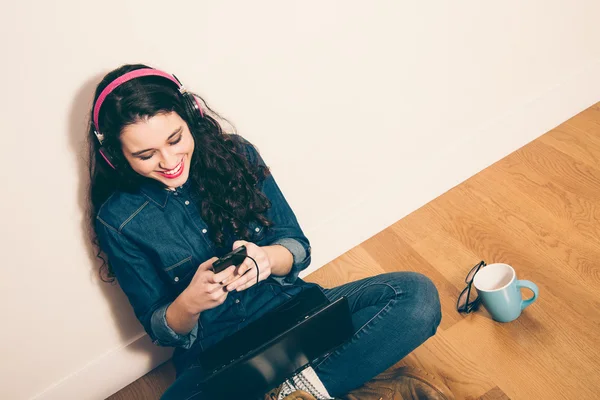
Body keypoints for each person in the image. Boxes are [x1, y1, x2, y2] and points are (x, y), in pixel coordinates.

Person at [87, 64, 452, 400]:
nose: (168, 162)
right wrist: (189, 303)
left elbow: (297, 245)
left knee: (415, 297)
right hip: (218, 353)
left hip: (297, 312)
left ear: (190, 115)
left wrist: (267, 259)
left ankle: (290, 390)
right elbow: (159, 326)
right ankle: (323, 383)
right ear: (116, 156)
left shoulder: (237, 154)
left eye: (175, 139)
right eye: (146, 155)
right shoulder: (117, 219)